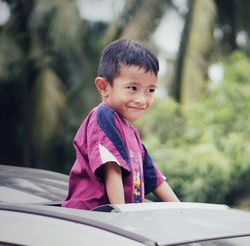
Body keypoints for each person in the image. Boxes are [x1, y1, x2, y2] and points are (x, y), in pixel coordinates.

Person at [62, 39, 179, 210]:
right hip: (91, 218)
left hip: (116, 221)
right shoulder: (103, 117)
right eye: (132, 88)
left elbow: (154, 178)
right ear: (104, 87)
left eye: (150, 90)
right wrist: (122, 216)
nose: (142, 99)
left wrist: (182, 209)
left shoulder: (131, 132)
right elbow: (112, 170)